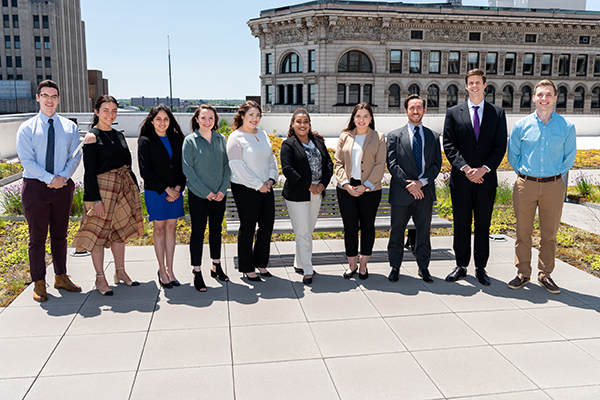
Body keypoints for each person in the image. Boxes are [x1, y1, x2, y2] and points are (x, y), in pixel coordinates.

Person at [506, 79, 576, 294]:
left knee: (549, 234)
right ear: (534, 98)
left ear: (555, 98)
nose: (544, 98)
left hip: (553, 186)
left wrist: (553, 175)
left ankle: (545, 275)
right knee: (522, 232)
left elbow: (569, 157)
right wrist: (525, 174)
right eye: (540, 94)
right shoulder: (521, 126)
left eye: (548, 94)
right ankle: (523, 273)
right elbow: (513, 155)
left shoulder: (566, 126)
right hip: (525, 185)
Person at [16, 80, 82, 302]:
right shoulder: (27, 128)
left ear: (59, 99)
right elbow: (27, 161)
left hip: (62, 187)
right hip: (36, 188)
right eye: (45, 95)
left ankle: (61, 276)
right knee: (37, 238)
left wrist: (62, 177)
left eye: (54, 96)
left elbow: (75, 155)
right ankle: (39, 282)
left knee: (60, 236)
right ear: (38, 98)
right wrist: (49, 179)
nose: (50, 100)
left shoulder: (69, 127)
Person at [72, 95, 144, 296]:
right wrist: (95, 201)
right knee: (98, 236)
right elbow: (89, 172)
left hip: (121, 190)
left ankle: (120, 272)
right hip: (101, 192)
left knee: (119, 233)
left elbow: (127, 164)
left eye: (114, 110)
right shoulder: (92, 137)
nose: (110, 114)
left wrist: (131, 190)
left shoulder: (119, 135)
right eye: (106, 110)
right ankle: (100, 278)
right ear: (96, 112)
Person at [443, 69, 507, 286]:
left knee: (483, 224)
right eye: (471, 83)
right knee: (461, 224)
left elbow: (500, 146)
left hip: (486, 180)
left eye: (478, 82)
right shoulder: (453, 112)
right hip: (461, 180)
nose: (475, 86)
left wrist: (485, 168)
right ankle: (461, 265)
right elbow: (449, 145)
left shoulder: (497, 113)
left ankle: (481, 267)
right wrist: (466, 168)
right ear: (466, 86)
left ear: (485, 84)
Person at [387, 94, 442, 283]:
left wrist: (422, 182)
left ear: (424, 110)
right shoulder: (394, 136)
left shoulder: (433, 136)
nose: (416, 111)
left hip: (424, 193)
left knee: (424, 232)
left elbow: (436, 164)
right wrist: (410, 185)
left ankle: (423, 267)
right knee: (397, 231)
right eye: (412, 108)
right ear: (406, 111)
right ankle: (395, 267)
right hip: (402, 193)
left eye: (419, 107)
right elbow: (392, 165)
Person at [226, 100, 278, 282]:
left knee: (266, 227)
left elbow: (271, 159)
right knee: (248, 228)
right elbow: (237, 167)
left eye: (257, 115)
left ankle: (261, 264)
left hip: (266, 186)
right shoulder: (235, 137)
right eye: (251, 115)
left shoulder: (262, 134)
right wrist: (258, 185)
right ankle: (247, 267)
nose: (254, 119)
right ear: (242, 116)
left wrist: (271, 179)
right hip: (245, 189)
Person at [280, 109, 333, 285]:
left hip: (317, 192)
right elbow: (288, 170)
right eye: (299, 122)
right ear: (293, 124)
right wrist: (308, 185)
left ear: (309, 124)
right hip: (298, 194)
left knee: (307, 231)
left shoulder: (318, 141)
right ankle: (308, 269)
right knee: (303, 232)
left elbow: (329, 165)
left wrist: (322, 184)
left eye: (305, 122)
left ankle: (299, 262)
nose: (302, 125)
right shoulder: (288, 144)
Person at [182, 104, 231, 292]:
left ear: (215, 120)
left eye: (211, 118)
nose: (207, 122)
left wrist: (222, 189)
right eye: (203, 118)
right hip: (199, 196)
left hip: (219, 195)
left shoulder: (221, 139)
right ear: (196, 119)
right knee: (198, 232)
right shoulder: (190, 141)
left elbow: (227, 165)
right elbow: (188, 171)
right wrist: (207, 193)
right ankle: (197, 271)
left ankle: (216, 265)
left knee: (216, 230)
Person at [335, 102, 386, 280]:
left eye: (365, 116)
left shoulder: (378, 137)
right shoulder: (345, 136)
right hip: (347, 188)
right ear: (353, 118)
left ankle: (363, 265)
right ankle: (351, 265)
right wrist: (346, 185)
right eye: (358, 116)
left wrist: (366, 186)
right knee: (349, 227)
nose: (361, 120)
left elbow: (380, 165)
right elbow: (338, 163)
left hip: (370, 190)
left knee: (367, 226)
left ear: (371, 118)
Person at [138, 104, 186, 290]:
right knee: (159, 229)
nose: (162, 122)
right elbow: (145, 171)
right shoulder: (145, 140)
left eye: (165, 119)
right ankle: (162, 270)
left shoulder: (176, 138)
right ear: (152, 121)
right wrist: (167, 190)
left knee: (172, 229)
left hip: (176, 191)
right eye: (158, 119)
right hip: (157, 192)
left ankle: (171, 270)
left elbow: (183, 166)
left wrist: (178, 187)